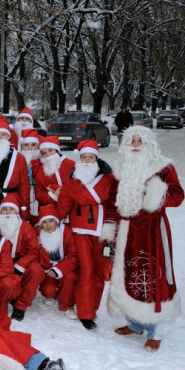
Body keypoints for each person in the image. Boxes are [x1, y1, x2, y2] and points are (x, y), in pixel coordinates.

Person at [108, 126, 184, 350]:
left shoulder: (163, 167)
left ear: (148, 144)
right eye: (131, 141)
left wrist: (156, 193)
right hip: (127, 232)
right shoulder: (120, 168)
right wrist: (110, 228)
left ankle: (156, 331)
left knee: (153, 277)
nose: (135, 145)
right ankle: (135, 322)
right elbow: (112, 200)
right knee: (130, 274)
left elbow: (178, 196)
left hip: (152, 232)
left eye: (139, 141)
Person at [56, 139, 118, 330]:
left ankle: (92, 308)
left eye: (91, 157)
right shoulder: (72, 180)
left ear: (97, 159)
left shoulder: (108, 178)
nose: (87, 161)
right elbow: (63, 206)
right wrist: (48, 221)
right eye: (84, 157)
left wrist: (76, 194)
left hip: (103, 232)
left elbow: (103, 199)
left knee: (100, 272)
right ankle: (85, 313)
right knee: (87, 271)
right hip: (81, 231)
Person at [0, 194, 42, 321]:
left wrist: (19, 265)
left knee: (36, 269)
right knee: (8, 286)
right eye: (4, 210)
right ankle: (5, 299)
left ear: (17, 211)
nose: (7, 213)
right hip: (1, 265)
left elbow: (33, 252)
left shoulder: (26, 228)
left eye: (11, 209)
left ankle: (20, 305)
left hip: (21, 264)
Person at [35, 205, 79, 315]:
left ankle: (66, 305)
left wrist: (58, 269)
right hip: (47, 268)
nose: (48, 225)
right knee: (49, 291)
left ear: (56, 221)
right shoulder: (38, 234)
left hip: (64, 266)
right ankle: (51, 292)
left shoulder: (66, 232)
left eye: (51, 221)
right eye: (44, 222)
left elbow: (74, 256)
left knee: (70, 277)